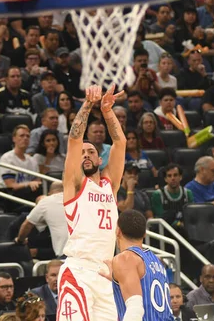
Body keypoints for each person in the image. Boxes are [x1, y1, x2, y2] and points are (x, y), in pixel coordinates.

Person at [57, 84, 126, 321]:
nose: (85, 155)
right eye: (83, 153)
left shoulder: (110, 185)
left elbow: (120, 144)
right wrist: (88, 104)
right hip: (79, 270)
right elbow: (75, 140)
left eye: (91, 152)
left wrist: (107, 112)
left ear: (100, 158)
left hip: (105, 273)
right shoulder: (75, 184)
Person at [97, 210, 173, 320]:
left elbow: (135, 309)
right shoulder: (156, 260)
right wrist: (118, 279)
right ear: (144, 234)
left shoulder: (125, 258)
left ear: (118, 231)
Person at [15, 182, 67, 258]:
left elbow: (27, 225)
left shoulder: (46, 202)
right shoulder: (82, 199)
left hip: (67, 253)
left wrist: (20, 240)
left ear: (49, 193)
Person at [0, 124, 42, 203]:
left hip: (29, 194)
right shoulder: (7, 158)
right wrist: (28, 184)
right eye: (21, 136)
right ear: (14, 139)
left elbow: (37, 182)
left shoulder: (32, 160)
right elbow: (10, 185)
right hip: (10, 196)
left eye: (27, 136)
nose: (25, 138)